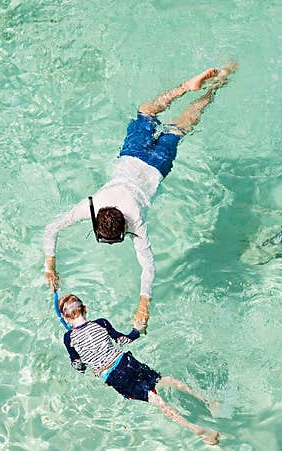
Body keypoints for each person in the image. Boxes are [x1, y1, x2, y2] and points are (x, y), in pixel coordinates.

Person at [43, 63, 238, 333]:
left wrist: (143, 305)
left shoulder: (136, 224)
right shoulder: (92, 205)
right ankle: (184, 87)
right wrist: (50, 264)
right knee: (146, 110)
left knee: (180, 126)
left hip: (157, 166)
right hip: (132, 156)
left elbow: (148, 268)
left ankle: (216, 87)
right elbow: (51, 229)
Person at [57, 293, 220, 445]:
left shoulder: (68, 338)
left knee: (157, 401)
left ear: (65, 317)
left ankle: (198, 430)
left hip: (114, 376)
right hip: (126, 362)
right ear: (85, 309)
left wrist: (84, 364)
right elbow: (123, 341)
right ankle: (208, 401)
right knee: (166, 380)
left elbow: (77, 365)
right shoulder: (101, 323)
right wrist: (137, 330)